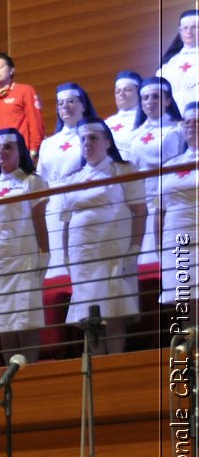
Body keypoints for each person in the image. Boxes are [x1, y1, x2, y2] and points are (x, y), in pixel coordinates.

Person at [57, 118, 145, 355]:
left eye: (93, 138)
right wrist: (66, 256)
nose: (87, 143)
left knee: (113, 309)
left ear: (107, 141)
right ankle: (96, 367)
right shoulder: (72, 178)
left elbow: (140, 211)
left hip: (113, 251)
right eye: (83, 139)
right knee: (89, 312)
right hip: (82, 255)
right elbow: (65, 222)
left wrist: (135, 246)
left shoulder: (124, 169)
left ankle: (115, 362)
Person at [0, 128, 51, 363]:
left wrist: (45, 255)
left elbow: (40, 221)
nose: (1, 152)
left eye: (7, 146)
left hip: (24, 256)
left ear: (20, 150)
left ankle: (30, 371)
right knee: (4, 320)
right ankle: (11, 375)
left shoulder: (32, 182)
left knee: (25, 316)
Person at [36, 83, 96, 282]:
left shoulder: (91, 136)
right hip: (52, 208)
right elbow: (40, 181)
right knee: (56, 264)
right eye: (61, 103)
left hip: (80, 203)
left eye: (71, 101)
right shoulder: (48, 143)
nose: (66, 107)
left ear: (83, 105)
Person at [128, 77, 185, 265]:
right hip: (142, 202)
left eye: (155, 97)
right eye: (145, 98)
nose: (149, 102)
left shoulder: (179, 129)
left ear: (168, 100)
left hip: (169, 201)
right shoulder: (134, 135)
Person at [153, 102, 199, 309]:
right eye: (187, 122)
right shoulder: (170, 165)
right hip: (175, 237)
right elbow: (159, 210)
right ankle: (189, 341)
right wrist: (158, 245)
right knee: (183, 299)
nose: (192, 126)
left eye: (197, 121)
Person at [157, 8, 199, 112]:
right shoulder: (170, 63)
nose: (189, 32)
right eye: (185, 28)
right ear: (180, 31)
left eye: (194, 27)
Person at [105, 71, 142, 144]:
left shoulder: (146, 121)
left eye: (127, 90)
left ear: (139, 93)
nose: (121, 94)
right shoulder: (106, 123)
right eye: (118, 91)